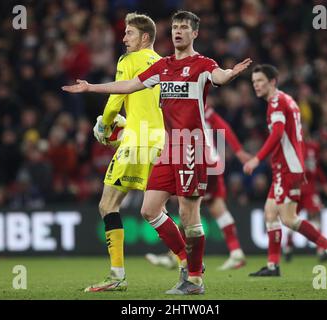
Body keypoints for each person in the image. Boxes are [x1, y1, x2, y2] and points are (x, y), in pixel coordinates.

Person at [63, 10, 252, 294]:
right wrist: (90, 87)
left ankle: (195, 278)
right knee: (149, 209)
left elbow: (219, 76)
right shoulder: (163, 65)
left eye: (184, 27)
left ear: (194, 33)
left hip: (191, 146)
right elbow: (129, 86)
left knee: (190, 217)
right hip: (166, 146)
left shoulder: (203, 64)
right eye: (175, 27)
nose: (178, 31)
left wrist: (230, 74)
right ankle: (187, 265)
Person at [64, 13, 165, 292]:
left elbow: (116, 98)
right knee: (157, 209)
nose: (123, 38)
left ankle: (117, 275)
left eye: (129, 33)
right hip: (162, 142)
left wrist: (104, 123)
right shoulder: (163, 65)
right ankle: (189, 268)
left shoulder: (128, 61)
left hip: (134, 142)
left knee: (108, 205)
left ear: (145, 38)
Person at [243, 64, 327, 277]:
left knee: (288, 219)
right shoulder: (287, 99)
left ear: (272, 82)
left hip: (288, 168)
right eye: (254, 82)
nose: (256, 85)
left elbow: (278, 133)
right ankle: (273, 266)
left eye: (260, 81)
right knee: (270, 213)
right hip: (287, 166)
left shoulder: (276, 102)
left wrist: (256, 159)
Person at [145, 105, 251, 271]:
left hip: (199, 161)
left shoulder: (181, 107)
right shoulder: (204, 107)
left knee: (188, 211)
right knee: (214, 207)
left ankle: (180, 259)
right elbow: (223, 127)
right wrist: (238, 151)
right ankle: (236, 253)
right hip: (213, 162)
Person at [284, 125, 327, 262]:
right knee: (291, 218)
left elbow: (316, 168)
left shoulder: (313, 147)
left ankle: (319, 250)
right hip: (296, 187)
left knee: (313, 216)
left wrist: (324, 183)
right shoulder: (293, 146)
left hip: (309, 188)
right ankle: (288, 247)